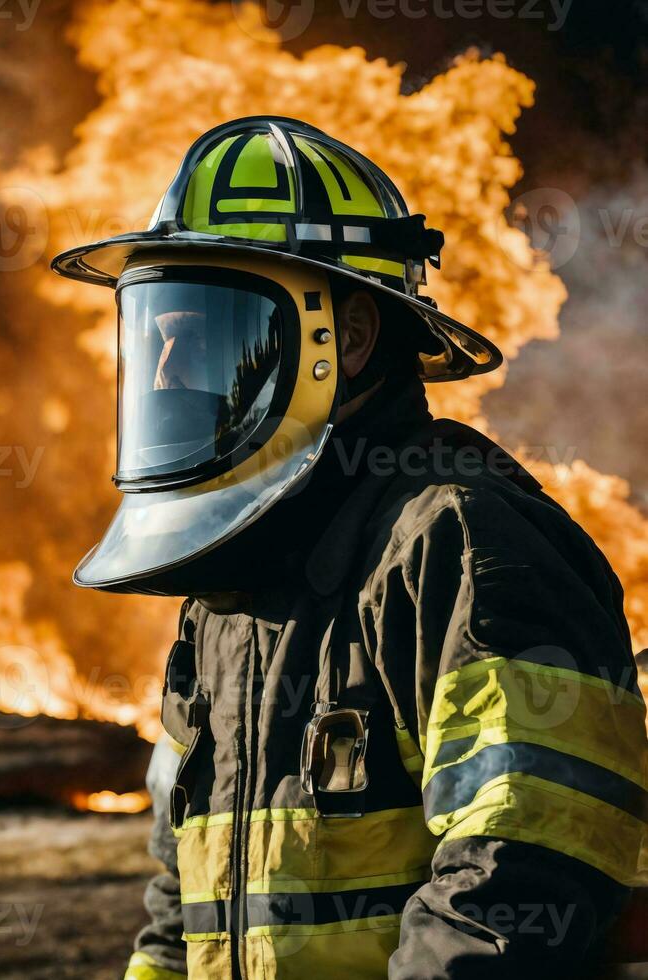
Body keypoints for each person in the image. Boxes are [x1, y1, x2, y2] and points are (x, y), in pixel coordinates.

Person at [50, 116, 648, 978]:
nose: (168, 369)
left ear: (350, 338)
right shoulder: (226, 596)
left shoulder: (457, 544)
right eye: (159, 331)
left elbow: (524, 868)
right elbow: (178, 918)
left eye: (208, 331)